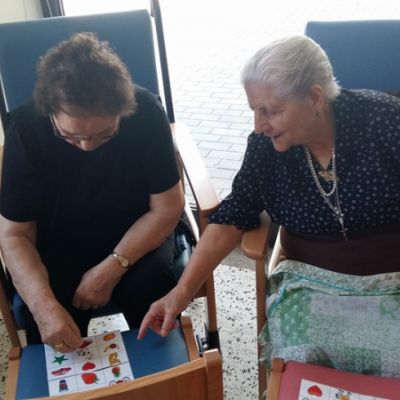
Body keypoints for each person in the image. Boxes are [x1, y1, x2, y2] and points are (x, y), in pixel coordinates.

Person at [138, 35, 400, 339]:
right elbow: (233, 218)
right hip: (309, 282)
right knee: (299, 356)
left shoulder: (387, 123)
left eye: (271, 111)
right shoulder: (266, 147)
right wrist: (181, 292)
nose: (258, 125)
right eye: (254, 110)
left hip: (392, 277)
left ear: (315, 98)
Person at [0, 32, 185, 352]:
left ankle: (163, 372)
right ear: (50, 113)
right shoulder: (26, 130)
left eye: (103, 134)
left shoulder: (145, 113)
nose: (86, 146)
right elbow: (15, 235)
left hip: (138, 229)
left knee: (151, 284)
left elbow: (167, 207)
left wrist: (112, 268)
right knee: (48, 307)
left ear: (122, 110)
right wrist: (44, 308)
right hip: (60, 239)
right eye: (70, 136)